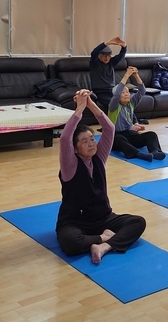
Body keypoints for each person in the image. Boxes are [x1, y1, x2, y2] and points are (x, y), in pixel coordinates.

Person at [57, 89, 146, 264]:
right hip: (75, 221)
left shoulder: (99, 158)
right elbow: (65, 138)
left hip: (103, 218)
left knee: (138, 222)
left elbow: (109, 128)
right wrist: (80, 108)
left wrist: (91, 104)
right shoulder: (70, 165)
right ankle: (104, 237)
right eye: (84, 141)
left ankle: (104, 246)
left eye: (92, 139)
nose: (91, 144)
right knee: (70, 242)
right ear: (75, 149)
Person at [108, 66, 166, 162]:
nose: (126, 94)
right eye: (123, 93)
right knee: (119, 138)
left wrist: (136, 75)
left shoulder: (131, 103)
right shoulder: (113, 106)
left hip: (130, 135)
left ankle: (155, 152)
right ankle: (138, 154)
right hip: (116, 138)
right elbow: (117, 94)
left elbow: (142, 91)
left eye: (127, 92)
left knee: (151, 134)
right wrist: (127, 75)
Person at [89, 36, 127, 112]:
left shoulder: (111, 63)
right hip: (101, 92)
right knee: (114, 103)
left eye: (109, 55)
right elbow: (94, 53)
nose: (107, 58)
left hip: (113, 91)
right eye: (104, 55)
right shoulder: (95, 64)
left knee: (126, 101)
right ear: (99, 55)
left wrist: (124, 46)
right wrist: (107, 43)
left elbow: (121, 55)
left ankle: (133, 119)